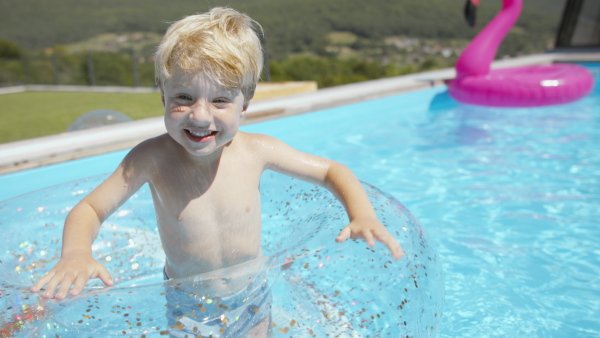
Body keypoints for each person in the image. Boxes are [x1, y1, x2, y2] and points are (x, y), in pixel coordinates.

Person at [30, 7, 404, 337]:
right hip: (187, 303)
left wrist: (361, 214)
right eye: (183, 98)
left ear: (246, 103)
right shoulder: (151, 159)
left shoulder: (257, 151)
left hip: (252, 295)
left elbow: (330, 171)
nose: (200, 115)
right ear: (163, 96)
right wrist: (76, 253)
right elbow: (90, 210)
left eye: (221, 100)